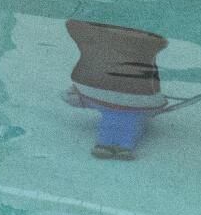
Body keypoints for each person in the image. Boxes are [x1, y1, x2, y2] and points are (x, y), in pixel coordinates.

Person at [65, 20, 169, 158]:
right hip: (137, 95)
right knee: (129, 114)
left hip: (96, 88)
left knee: (112, 111)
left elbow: (72, 24)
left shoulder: (92, 34)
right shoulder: (147, 40)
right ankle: (124, 146)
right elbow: (162, 42)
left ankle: (104, 143)